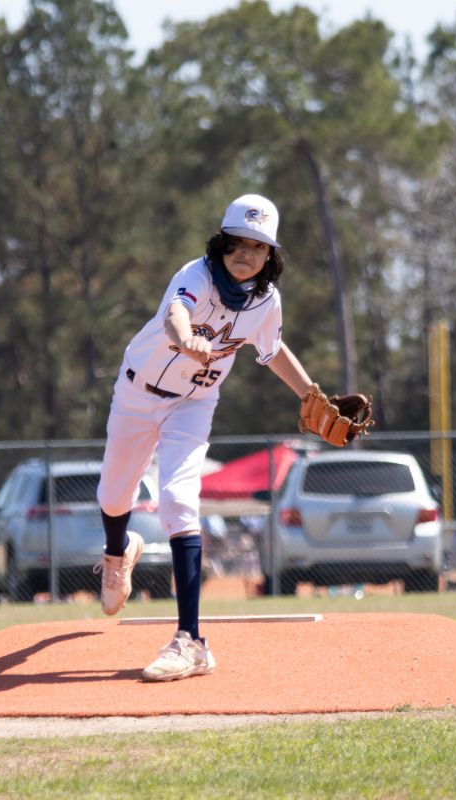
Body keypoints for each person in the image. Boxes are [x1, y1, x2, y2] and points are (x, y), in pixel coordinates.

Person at [95, 193, 320, 682]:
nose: (246, 254)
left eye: (258, 247)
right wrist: (185, 338)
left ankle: (191, 642)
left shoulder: (266, 300)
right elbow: (176, 314)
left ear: (270, 255)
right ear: (221, 243)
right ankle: (118, 552)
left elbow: (272, 348)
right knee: (114, 494)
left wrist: (309, 393)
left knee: (179, 500)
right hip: (138, 393)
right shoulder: (195, 275)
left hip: (193, 404)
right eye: (238, 242)